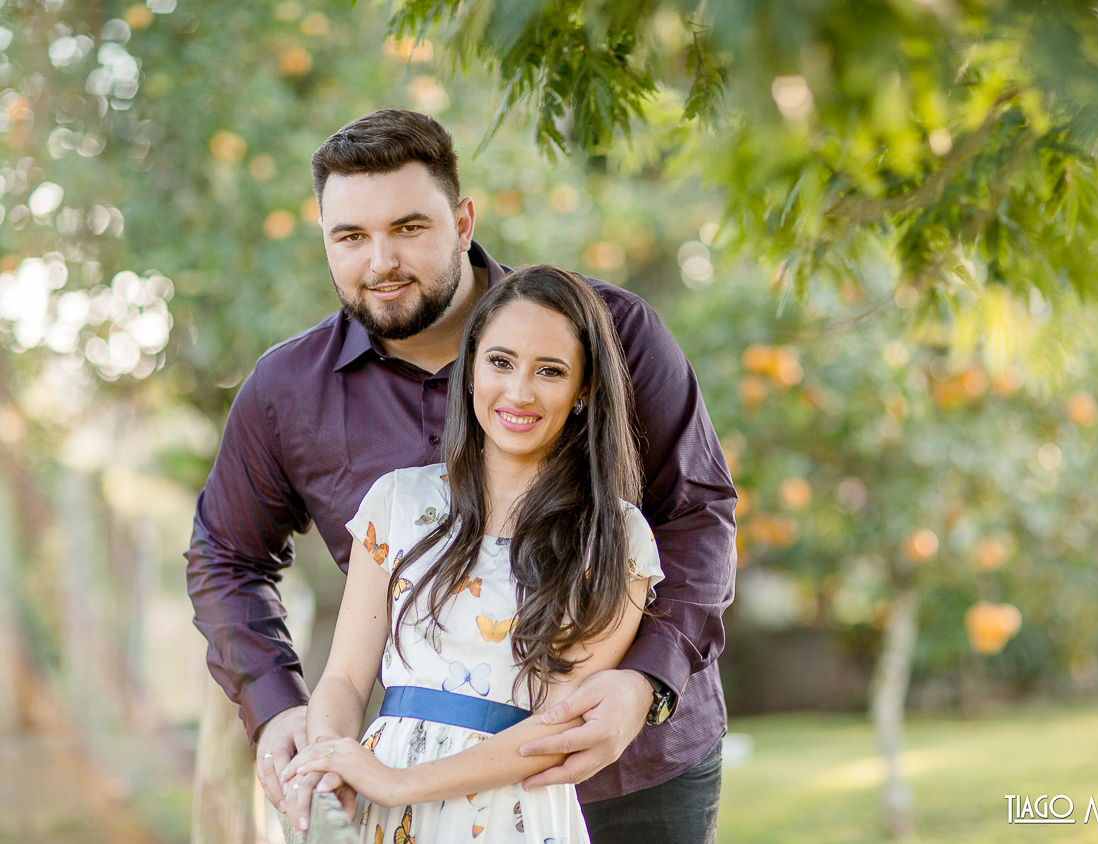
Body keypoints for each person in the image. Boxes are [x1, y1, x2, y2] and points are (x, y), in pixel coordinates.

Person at [185, 108, 736, 843]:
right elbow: (224, 556)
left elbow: (698, 515)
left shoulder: (617, 333)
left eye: (409, 228)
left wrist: (644, 683)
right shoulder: (288, 390)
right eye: (350, 236)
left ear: (464, 220)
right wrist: (280, 707)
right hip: (415, 798)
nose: (380, 261)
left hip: (632, 769)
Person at [278, 265, 664, 842]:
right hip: (382, 806)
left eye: (550, 371)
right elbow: (345, 678)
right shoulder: (396, 502)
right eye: (500, 362)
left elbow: (555, 728)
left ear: (584, 389)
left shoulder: (616, 537)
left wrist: (400, 784)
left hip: (512, 814)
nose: (519, 392)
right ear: (470, 369)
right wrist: (335, 760)